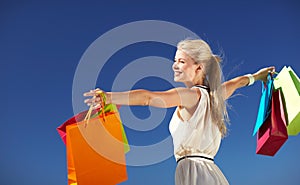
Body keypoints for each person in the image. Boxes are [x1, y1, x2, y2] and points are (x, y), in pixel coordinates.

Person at [83, 39, 275, 185]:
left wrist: (109, 97)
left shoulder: (191, 96)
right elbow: (239, 82)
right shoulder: (216, 95)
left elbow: (148, 97)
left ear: (199, 67)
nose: (174, 65)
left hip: (196, 174)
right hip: (209, 172)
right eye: (175, 60)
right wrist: (258, 76)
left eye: (181, 61)